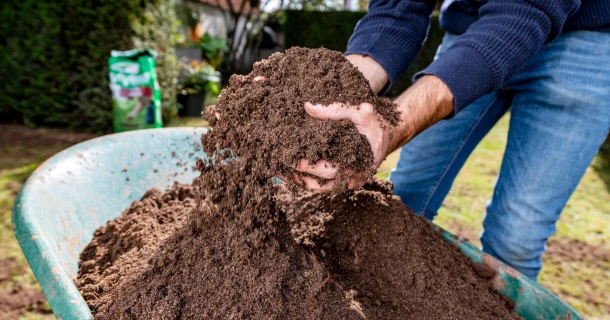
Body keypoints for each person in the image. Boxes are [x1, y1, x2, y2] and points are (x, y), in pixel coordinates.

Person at [294, 0, 610, 281]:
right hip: (471, 28)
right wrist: (334, 88)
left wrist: (389, 126)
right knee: (404, 193)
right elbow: (398, 9)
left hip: (583, 45)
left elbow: (524, 12)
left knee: (517, 236)